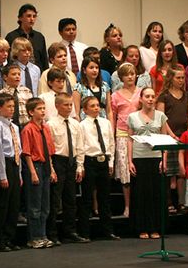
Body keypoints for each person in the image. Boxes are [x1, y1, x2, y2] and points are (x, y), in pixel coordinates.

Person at [128, 87, 172, 240]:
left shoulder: (161, 116)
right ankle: (141, 227)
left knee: (156, 194)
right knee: (141, 194)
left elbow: (165, 139)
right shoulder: (133, 117)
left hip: (156, 157)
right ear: (141, 99)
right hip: (139, 158)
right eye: (147, 96)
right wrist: (129, 161)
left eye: (153, 96)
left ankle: (155, 227)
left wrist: (164, 159)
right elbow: (129, 139)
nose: (150, 99)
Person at [46, 93, 89, 244]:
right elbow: (50, 148)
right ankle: (52, 233)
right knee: (55, 199)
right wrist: (51, 167)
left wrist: (80, 165)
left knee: (70, 199)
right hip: (58, 161)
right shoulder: (51, 124)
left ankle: (70, 231)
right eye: (66, 105)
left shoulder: (75, 124)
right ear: (57, 106)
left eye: (71, 105)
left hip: (71, 162)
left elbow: (80, 145)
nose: (69, 107)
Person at [78, 96, 118, 241]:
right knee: (87, 198)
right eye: (92, 106)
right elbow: (81, 146)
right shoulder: (82, 125)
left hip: (104, 160)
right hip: (90, 160)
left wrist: (111, 162)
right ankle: (85, 232)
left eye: (97, 105)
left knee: (105, 198)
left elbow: (111, 143)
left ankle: (107, 231)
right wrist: (80, 165)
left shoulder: (106, 123)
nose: (96, 108)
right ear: (85, 109)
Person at [21, 97, 57, 248]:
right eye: (39, 109)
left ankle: (43, 235)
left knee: (45, 204)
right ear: (31, 112)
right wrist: (32, 173)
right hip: (35, 166)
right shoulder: (28, 129)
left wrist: (52, 169)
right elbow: (27, 153)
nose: (42, 111)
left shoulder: (45, 128)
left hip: (45, 166)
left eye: (43, 108)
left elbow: (48, 151)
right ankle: (34, 237)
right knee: (35, 204)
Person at [156, 68, 188, 212]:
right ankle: (169, 201)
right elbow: (161, 118)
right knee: (169, 170)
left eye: (183, 78)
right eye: (178, 78)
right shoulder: (164, 96)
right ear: (171, 78)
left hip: (184, 136)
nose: (181, 80)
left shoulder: (187, 96)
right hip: (170, 136)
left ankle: (181, 201)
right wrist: (171, 134)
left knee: (181, 171)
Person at [0, 94, 22, 252]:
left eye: (13, 107)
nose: (11, 109)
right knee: (3, 204)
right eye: (8, 106)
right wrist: (2, 175)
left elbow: (18, 151)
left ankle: (10, 237)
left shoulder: (14, 127)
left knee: (14, 205)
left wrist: (20, 174)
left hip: (15, 165)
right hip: (5, 165)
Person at [110, 63, 141, 217]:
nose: (130, 77)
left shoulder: (141, 93)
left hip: (139, 135)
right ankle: (127, 206)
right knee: (125, 171)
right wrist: (113, 135)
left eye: (132, 73)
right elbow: (113, 116)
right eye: (126, 74)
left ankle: (139, 206)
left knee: (139, 169)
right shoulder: (116, 95)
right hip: (122, 134)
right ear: (121, 77)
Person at [5, 4, 48, 71]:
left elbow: (44, 60)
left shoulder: (39, 37)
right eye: (28, 16)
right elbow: (8, 59)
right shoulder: (11, 36)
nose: (32, 19)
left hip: (37, 74)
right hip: (18, 74)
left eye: (34, 16)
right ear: (20, 18)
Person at [73, 56, 113, 125]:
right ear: (84, 70)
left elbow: (109, 110)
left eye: (97, 68)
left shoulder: (105, 86)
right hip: (86, 123)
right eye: (91, 68)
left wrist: (111, 128)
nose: (95, 70)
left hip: (103, 122)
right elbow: (76, 112)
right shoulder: (78, 87)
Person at [0, 64, 33, 129]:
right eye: (14, 74)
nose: (17, 76)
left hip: (26, 126)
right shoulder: (0, 94)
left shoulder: (26, 91)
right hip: (8, 126)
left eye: (19, 74)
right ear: (5, 77)